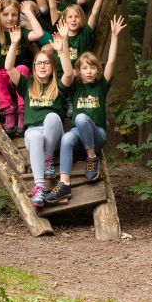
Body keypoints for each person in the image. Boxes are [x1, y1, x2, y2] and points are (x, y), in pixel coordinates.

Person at [50, 14, 124, 197]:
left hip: (97, 134)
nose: (89, 71)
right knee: (67, 138)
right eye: (85, 68)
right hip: (78, 134)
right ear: (79, 71)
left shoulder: (101, 86)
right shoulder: (75, 86)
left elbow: (111, 62)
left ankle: (92, 157)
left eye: (92, 67)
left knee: (82, 118)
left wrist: (114, 36)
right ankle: (64, 183)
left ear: (98, 70)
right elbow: (67, 68)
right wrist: (64, 42)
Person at [4, 28, 66, 207]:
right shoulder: (27, 85)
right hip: (34, 134)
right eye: (38, 63)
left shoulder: (58, 86)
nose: (42, 66)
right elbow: (9, 68)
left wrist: (61, 50)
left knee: (52, 117)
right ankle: (39, 187)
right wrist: (14, 43)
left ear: (52, 67)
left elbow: (69, 74)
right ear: (34, 67)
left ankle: (48, 159)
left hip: (54, 134)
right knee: (35, 135)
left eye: (46, 63)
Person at [0, 0, 43, 136]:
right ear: (0, 15)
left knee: (23, 68)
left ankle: (22, 110)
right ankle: (8, 111)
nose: (10, 18)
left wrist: (29, 13)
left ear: (18, 16)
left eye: (14, 14)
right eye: (5, 14)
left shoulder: (19, 31)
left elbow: (39, 33)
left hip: (14, 76)